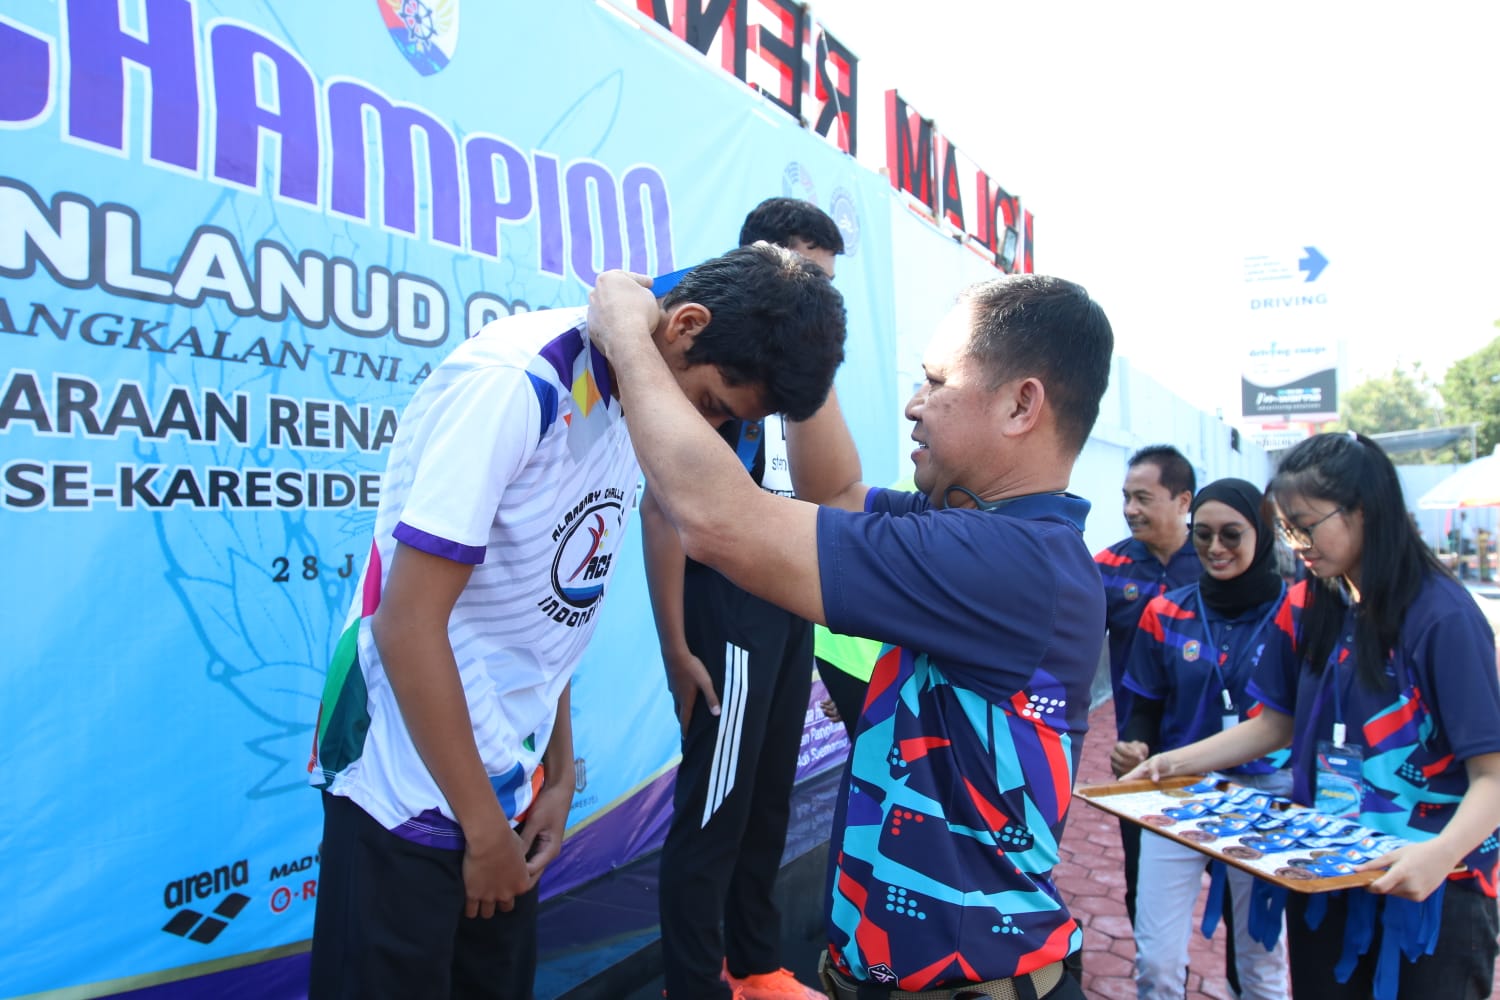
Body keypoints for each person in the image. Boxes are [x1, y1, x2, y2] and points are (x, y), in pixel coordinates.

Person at [304, 244, 846, 1000]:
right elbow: (407, 627)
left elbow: (553, 605)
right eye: (713, 405)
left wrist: (556, 777)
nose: (709, 428)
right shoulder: (517, 384)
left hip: (506, 794)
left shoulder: (634, 395)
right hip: (404, 786)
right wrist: (482, 829)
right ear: (685, 325)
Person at [587, 269, 1115, 999]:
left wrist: (626, 335)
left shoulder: (1011, 563)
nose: (914, 404)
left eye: (936, 381)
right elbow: (833, 493)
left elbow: (719, 521)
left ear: (1021, 405)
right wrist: (803, 337)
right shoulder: (989, 530)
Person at [1126, 432, 1500, 999]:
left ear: (1362, 512)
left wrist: (1440, 853)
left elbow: (1492, 775)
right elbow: (1276, 723)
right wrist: (1172, 763)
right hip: (1327, 867)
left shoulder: (1442, 617)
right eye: (1287, 529)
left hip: (1432, 886)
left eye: (1305, 525)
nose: (1296, 543)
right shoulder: (1309, 602)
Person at [647, 198, 843, 1000]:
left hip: (786, 590)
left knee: (767, 793)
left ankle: (756, 966)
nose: (823, 301)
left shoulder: (791, 370)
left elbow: (830, 486)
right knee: (716, 806)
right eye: (811, 277)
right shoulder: (710, 351)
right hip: (727, 604)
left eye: (830, 284)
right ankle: (693, 984)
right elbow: (662, 505)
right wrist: (675, 645)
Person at [1115, 478, 1291, 1000]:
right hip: (1178, 790)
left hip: (1270, 797)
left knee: (1262, 963)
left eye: (1232, 534)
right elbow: (1146, 707)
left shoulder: (1296, 613)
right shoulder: (1166, 611)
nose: (1216, 547)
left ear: (1261, 534)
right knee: (1156, 962)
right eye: (1204, 534)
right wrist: (1135, 745)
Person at [1094, 445, 1199, 926]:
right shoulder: (1107, 568)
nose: (1129, 509)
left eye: (1143, 498)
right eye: (1126, 497)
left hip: (1217, 752)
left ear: (1183, 501)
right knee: (1145, 885)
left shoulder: (1214, 564)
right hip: (1136, 754)